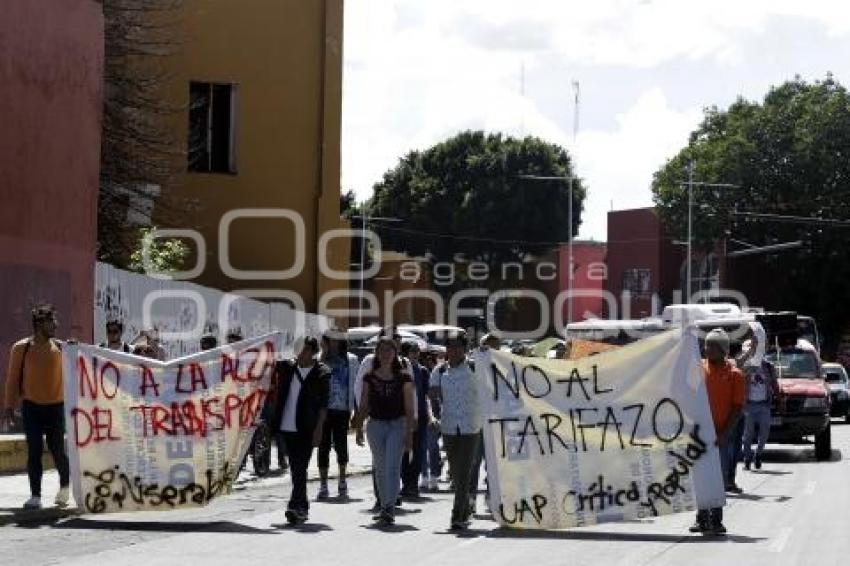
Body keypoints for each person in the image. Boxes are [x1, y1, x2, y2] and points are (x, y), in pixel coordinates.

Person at [2, 304, 70, 509]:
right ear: (39, 324)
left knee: (58, 450)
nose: (55, 326)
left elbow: (83, 363)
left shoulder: (61, 347)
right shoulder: (21, 348)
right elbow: (12, 379)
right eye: (51, 322)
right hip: (31, 407)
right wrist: (9, 407)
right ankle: (35, 495)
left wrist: (74, 348)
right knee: (34, 451)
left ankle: (65, 487)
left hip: (56, 407)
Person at [352, 337, 415, 525]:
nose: (385, 354)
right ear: (376, 354)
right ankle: (384, 504)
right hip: (375, 426)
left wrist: (410, 434)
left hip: (398, 425)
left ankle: (389, 507)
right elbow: (364, 405)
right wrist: (359, 428)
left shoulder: (404, 377)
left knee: (392, 466)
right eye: (382, 350)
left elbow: (410, 408)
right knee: (380, 468)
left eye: (389, 350)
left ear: (395, 353)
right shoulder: (369, 377)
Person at [691, 328, 746, 536]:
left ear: (723, 350)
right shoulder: (697, 369)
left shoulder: (736, 375)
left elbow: (738, 407)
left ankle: (716, 520)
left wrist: (724, 433)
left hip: (721, 437)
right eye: (706, 345)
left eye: (712, 346)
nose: (707, 349)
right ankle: (701, 518)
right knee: (700, 478)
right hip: (699, 435)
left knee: (717, 479)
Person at [270, 337, 330, 524]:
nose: (300, 354)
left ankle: (295, 506)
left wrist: (319, 429)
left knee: (299, 467)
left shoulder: (322, 373)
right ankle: (301, 506)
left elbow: (323, 405)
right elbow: (265, 363)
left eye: (304, 350)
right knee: (297, 468)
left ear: (313, 352)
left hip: (307, 427)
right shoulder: (287, 367)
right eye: (299, 350)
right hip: (287, 427)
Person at [430, 332, 482, 530]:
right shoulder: (440, 370)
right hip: (449, 426)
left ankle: (457, 515)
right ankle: (466, 505)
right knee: (457, 471)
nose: (453, 350)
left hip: (471, 426)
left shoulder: (475, 367)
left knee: (464, 470)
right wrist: (433, 416)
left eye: (458, 347)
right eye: (450, 347)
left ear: (465, 349)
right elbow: (432, 397)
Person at [317, 330, 360, 499]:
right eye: (331, 340)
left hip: (342, 409)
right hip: (324, 410)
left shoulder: (350, 360)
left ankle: (342, 479)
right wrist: (322, 355)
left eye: (337, 340)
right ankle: (323, 484)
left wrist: (357, 412)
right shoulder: (320, 359)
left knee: (341, 445)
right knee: (323, 446)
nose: (334, 343)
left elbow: (356, 386)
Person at [738, 326, 780, 471]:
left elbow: (774, 384)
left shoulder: (768, 367)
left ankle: (758, 454)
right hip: (749, 405)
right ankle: (747, 457)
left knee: (764, 432)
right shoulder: (746, 366)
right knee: (747, 434)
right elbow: (739, 368)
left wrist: (780, 398)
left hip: (764, 405)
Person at [400, 340, 431, 498]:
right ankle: (405, 483)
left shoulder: (423, 371)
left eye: (417, 351)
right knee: (404, 452)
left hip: (420, 418)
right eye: (412, 351)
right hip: (403, 418)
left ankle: (413, 483)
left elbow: (426, 396)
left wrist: (429, 416)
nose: (415, 354)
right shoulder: (400, 369)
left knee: (418, 452)